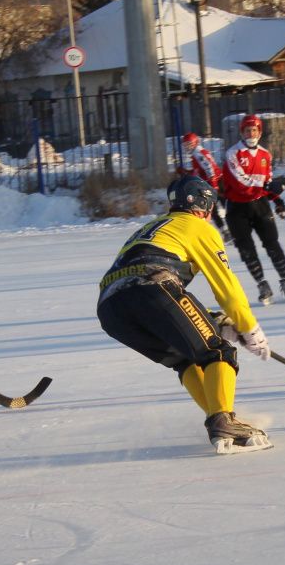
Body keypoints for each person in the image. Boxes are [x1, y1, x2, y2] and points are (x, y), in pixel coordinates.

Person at [96, 176, 274, 454]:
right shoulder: (197, 227)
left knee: (184, 359)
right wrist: (248, 326)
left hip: (111, 307)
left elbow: (160, 297)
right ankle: (223, 421)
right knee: (218, 353)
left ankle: (220, 417)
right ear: (204, 205)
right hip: (151, 287)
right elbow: (225, 285)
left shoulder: (153, 226)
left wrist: (214, 319)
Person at [221, 114, 285, 305]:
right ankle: (262, 284)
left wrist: (277, 200)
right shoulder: (232, 154)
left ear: (259, 132)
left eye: (254, 130)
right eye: (247, 130)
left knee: (272, 243)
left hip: (260, 205)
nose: (251, 133)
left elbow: (267, 181)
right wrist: (267, 185)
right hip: (237, 208)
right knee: (247, 249)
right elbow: (240, 182)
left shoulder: (265, 155)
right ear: (241, 132)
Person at [177, 132, 231, 240]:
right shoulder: (196, 154)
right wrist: (186, 172)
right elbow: (199, 171)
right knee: (213, 209)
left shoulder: (198, 153)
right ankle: (226, 231)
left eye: (189, 144)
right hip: (211, 183)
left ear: (195, 142)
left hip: (216, 182)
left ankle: (232, 229)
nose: (187, 147)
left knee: (219, 207)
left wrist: (214, 185)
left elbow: (209, 169)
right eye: (185, 145)